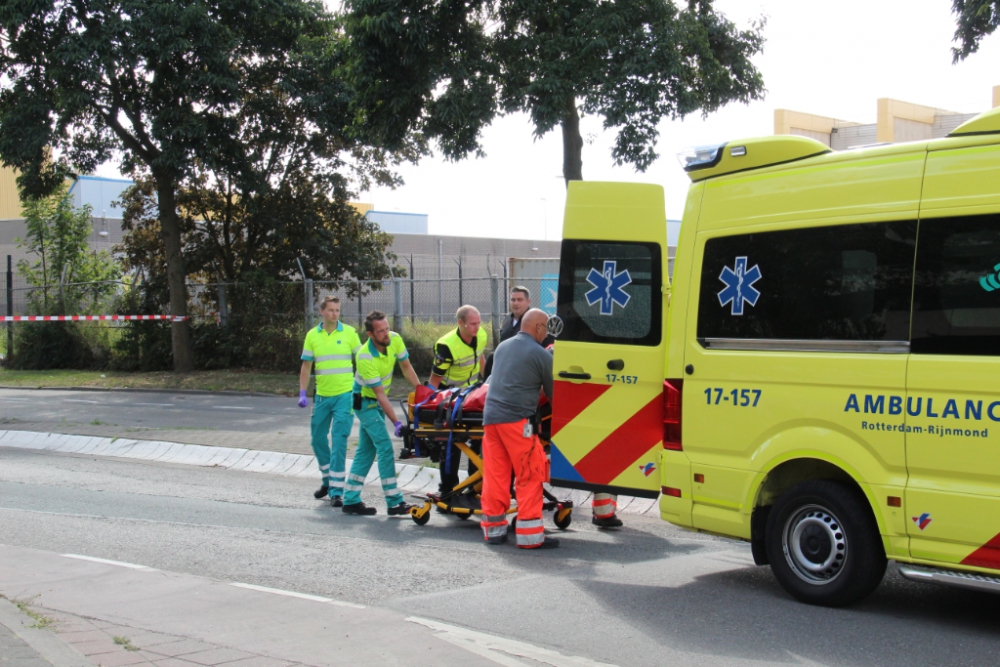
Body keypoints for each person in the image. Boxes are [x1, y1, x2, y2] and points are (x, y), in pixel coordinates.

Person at [480, 308, 559, 549]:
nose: (546, 334)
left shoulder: (503, 347)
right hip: (520, 424)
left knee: (496, 475)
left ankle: (493, 531)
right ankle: (530, 535)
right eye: (545, 328)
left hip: (491, 421)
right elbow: (555, 395)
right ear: (537, 327)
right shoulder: (541, 355)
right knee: (529, 472)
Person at [342, 311, 421, 516]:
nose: (387, 333)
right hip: (365, 403)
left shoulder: (394, 339)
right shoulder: (364, 356)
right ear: (370, 334)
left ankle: (350, 499)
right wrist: (396, 422)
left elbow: (406, 366)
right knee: (385, 448)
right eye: (381, 331)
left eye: (387, 328)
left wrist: (423, 392)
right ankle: (394, 502)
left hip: (377, 400)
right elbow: (380, 395)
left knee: (366, 451)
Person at [298, 296, 362, 506]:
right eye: (331, 310)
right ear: (322, 312)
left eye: (337, 310)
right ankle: (327, 480)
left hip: (345, 395)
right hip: (322, 397)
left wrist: (363, 389)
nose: (335, 313)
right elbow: (306, 366)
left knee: (339, 441)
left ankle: (336, 491)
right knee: (317, 439)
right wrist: (302, 392)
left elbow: (362, 361)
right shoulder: (312, 336)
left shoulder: (349, 333)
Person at [429, 305, 489, 499]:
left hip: (472, 395)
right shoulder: (446, 346)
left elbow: (480, 357)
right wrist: (428, 405)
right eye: (472, 324)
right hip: (450, 397)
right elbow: (434, 380)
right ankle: (448, 488)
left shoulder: (481, 335)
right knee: (452, 443)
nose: (477, 327)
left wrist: (487, 381)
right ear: (460, 323)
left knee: (478, 441)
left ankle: (474, 486)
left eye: (479, 323)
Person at [484, 287, 553, 379]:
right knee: (491, 358)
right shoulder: (507, 320)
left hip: (525, 367)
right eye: (513, 300)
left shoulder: (537, 320)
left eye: (520, 300)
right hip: (504, 364)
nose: (516, 303)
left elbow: (548, 348)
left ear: (528, 302)